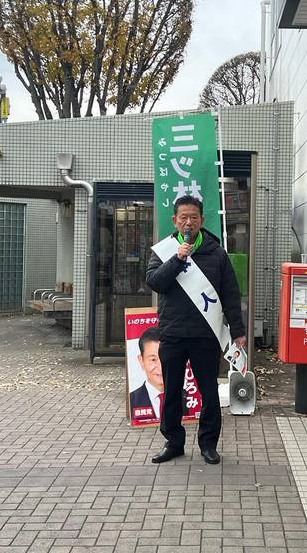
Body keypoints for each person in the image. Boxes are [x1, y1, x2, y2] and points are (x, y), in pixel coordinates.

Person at [146, 195, 245, 465]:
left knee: (209, 392)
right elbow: (154, 281)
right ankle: (173, 442)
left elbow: (230, 294)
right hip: (173, 333)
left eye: (193, 217)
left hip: (205, 335)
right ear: (174, 221)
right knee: (173, 391)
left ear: (202, 220)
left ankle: (208, 445)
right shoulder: (164, 251)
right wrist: (177, 260)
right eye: (183, 218)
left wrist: (238, 330)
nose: (188, 222)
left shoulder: (216, 252)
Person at [129, 327, 165, 420]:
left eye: (165, 357)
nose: (160, 367)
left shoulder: (188, 398)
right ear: (141, 361)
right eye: (153, 359)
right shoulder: (132, 400)